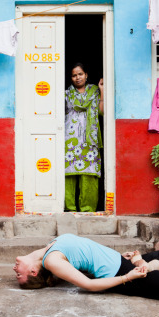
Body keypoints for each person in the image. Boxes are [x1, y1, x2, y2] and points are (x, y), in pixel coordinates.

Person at [13, 233, 159, 301]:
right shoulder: (51, 261)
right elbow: (89, 285)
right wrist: (129, 277)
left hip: (119, 260)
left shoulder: (50, 247)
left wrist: (121, 256)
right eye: (19, 276)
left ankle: (144, 265)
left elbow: (87, 254)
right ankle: (143, 268)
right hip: (119, 274)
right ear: (33, 272)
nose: (14, 271)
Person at [65, 63, 104, 212]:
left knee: (89, 175)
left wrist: (101, 90)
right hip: (70, 139)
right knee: (68, 174)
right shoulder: (66, 94)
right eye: (74, 75)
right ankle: (69, 208)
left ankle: (87, 209)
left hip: (89, 139)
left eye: (80, 74)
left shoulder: (94, 92)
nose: (77, 77)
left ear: (86, 75)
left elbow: (102, 112)